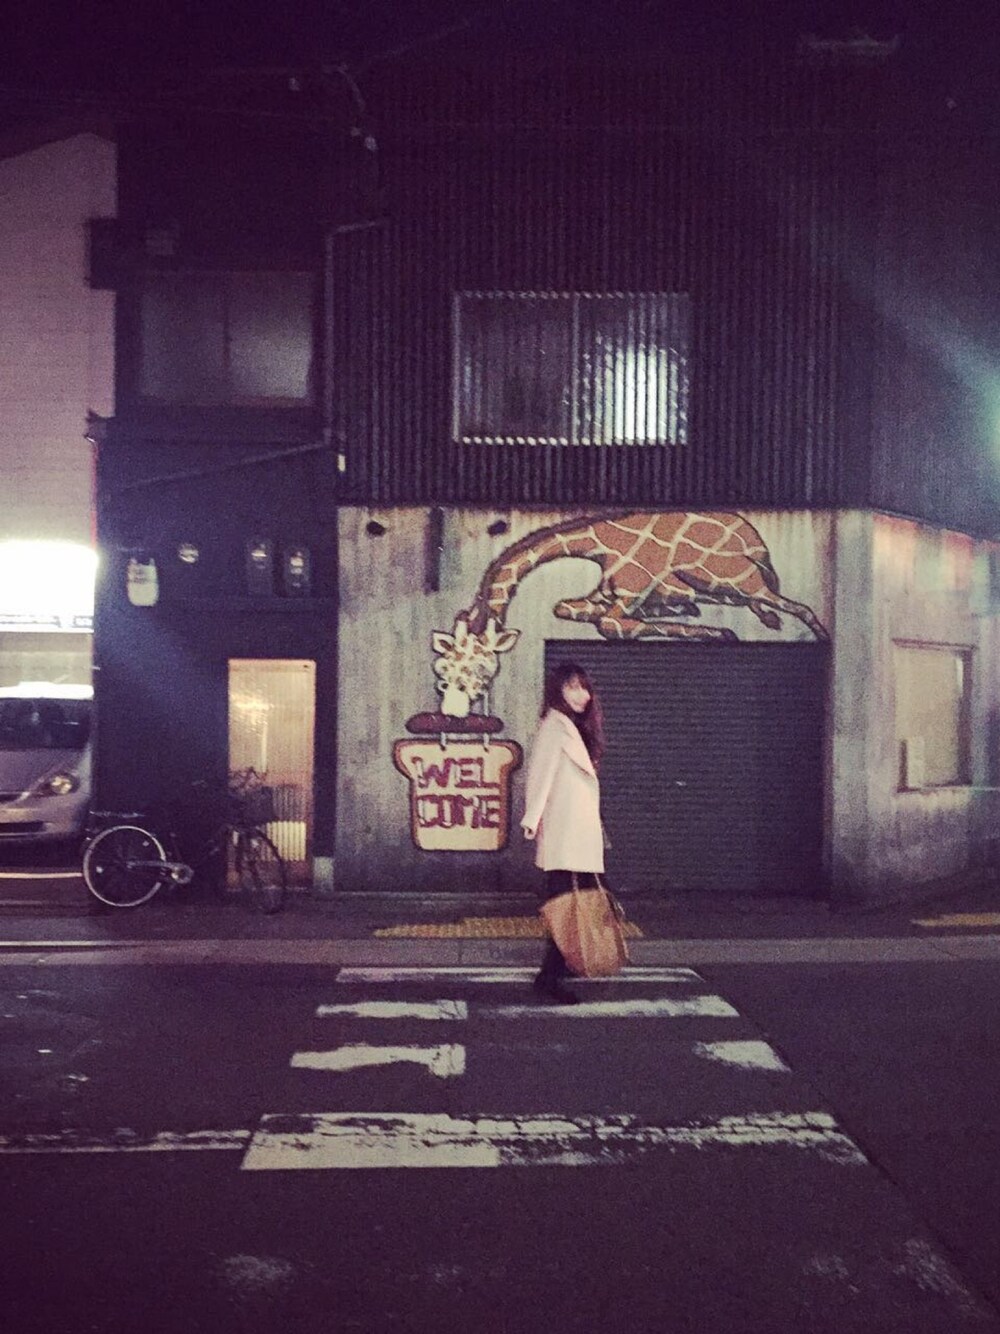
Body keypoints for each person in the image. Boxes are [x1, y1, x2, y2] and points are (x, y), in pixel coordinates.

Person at [521, 661, 606, 1003]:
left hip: (578, 835)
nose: (582, 694)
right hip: (565, 835)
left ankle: (563, 965)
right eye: (573, 687)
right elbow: (540, 775)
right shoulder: (555, 726)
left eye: (584, 687)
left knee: (578, 902)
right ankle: (549, 976)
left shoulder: (573, 727)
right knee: (567, 906)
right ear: (557, 690)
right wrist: (532, 818)